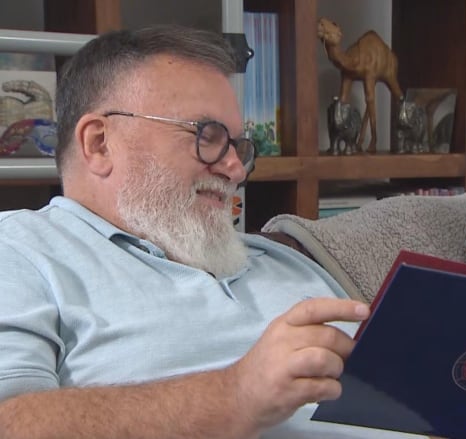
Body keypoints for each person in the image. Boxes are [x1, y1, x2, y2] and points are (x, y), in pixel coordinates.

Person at [0, 25, 423, 439]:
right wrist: (236, 394)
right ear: (99, 143)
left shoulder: (281, 257)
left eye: (238, 147)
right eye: (208, 136)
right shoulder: (22, 251)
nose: (236, 169)